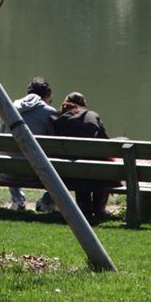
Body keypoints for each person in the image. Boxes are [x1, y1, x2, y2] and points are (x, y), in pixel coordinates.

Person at [52, 91, 113, 220]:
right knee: (99, 167)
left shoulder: (57, 119)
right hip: (94, 173)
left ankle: (85, 209)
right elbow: (106, 145)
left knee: (79, 167)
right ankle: (99, 209)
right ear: (84, 104)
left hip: (66, 172)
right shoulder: (91, 116)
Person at [0, 77, 56, 211]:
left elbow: (1, 140)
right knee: (61, 162)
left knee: (9, 154)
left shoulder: (10, 108)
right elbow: (56, 144)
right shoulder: (49, 112)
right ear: (47, 95)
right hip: (38, 170)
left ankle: (18, 199)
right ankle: (47, 202)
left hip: (9, 170)